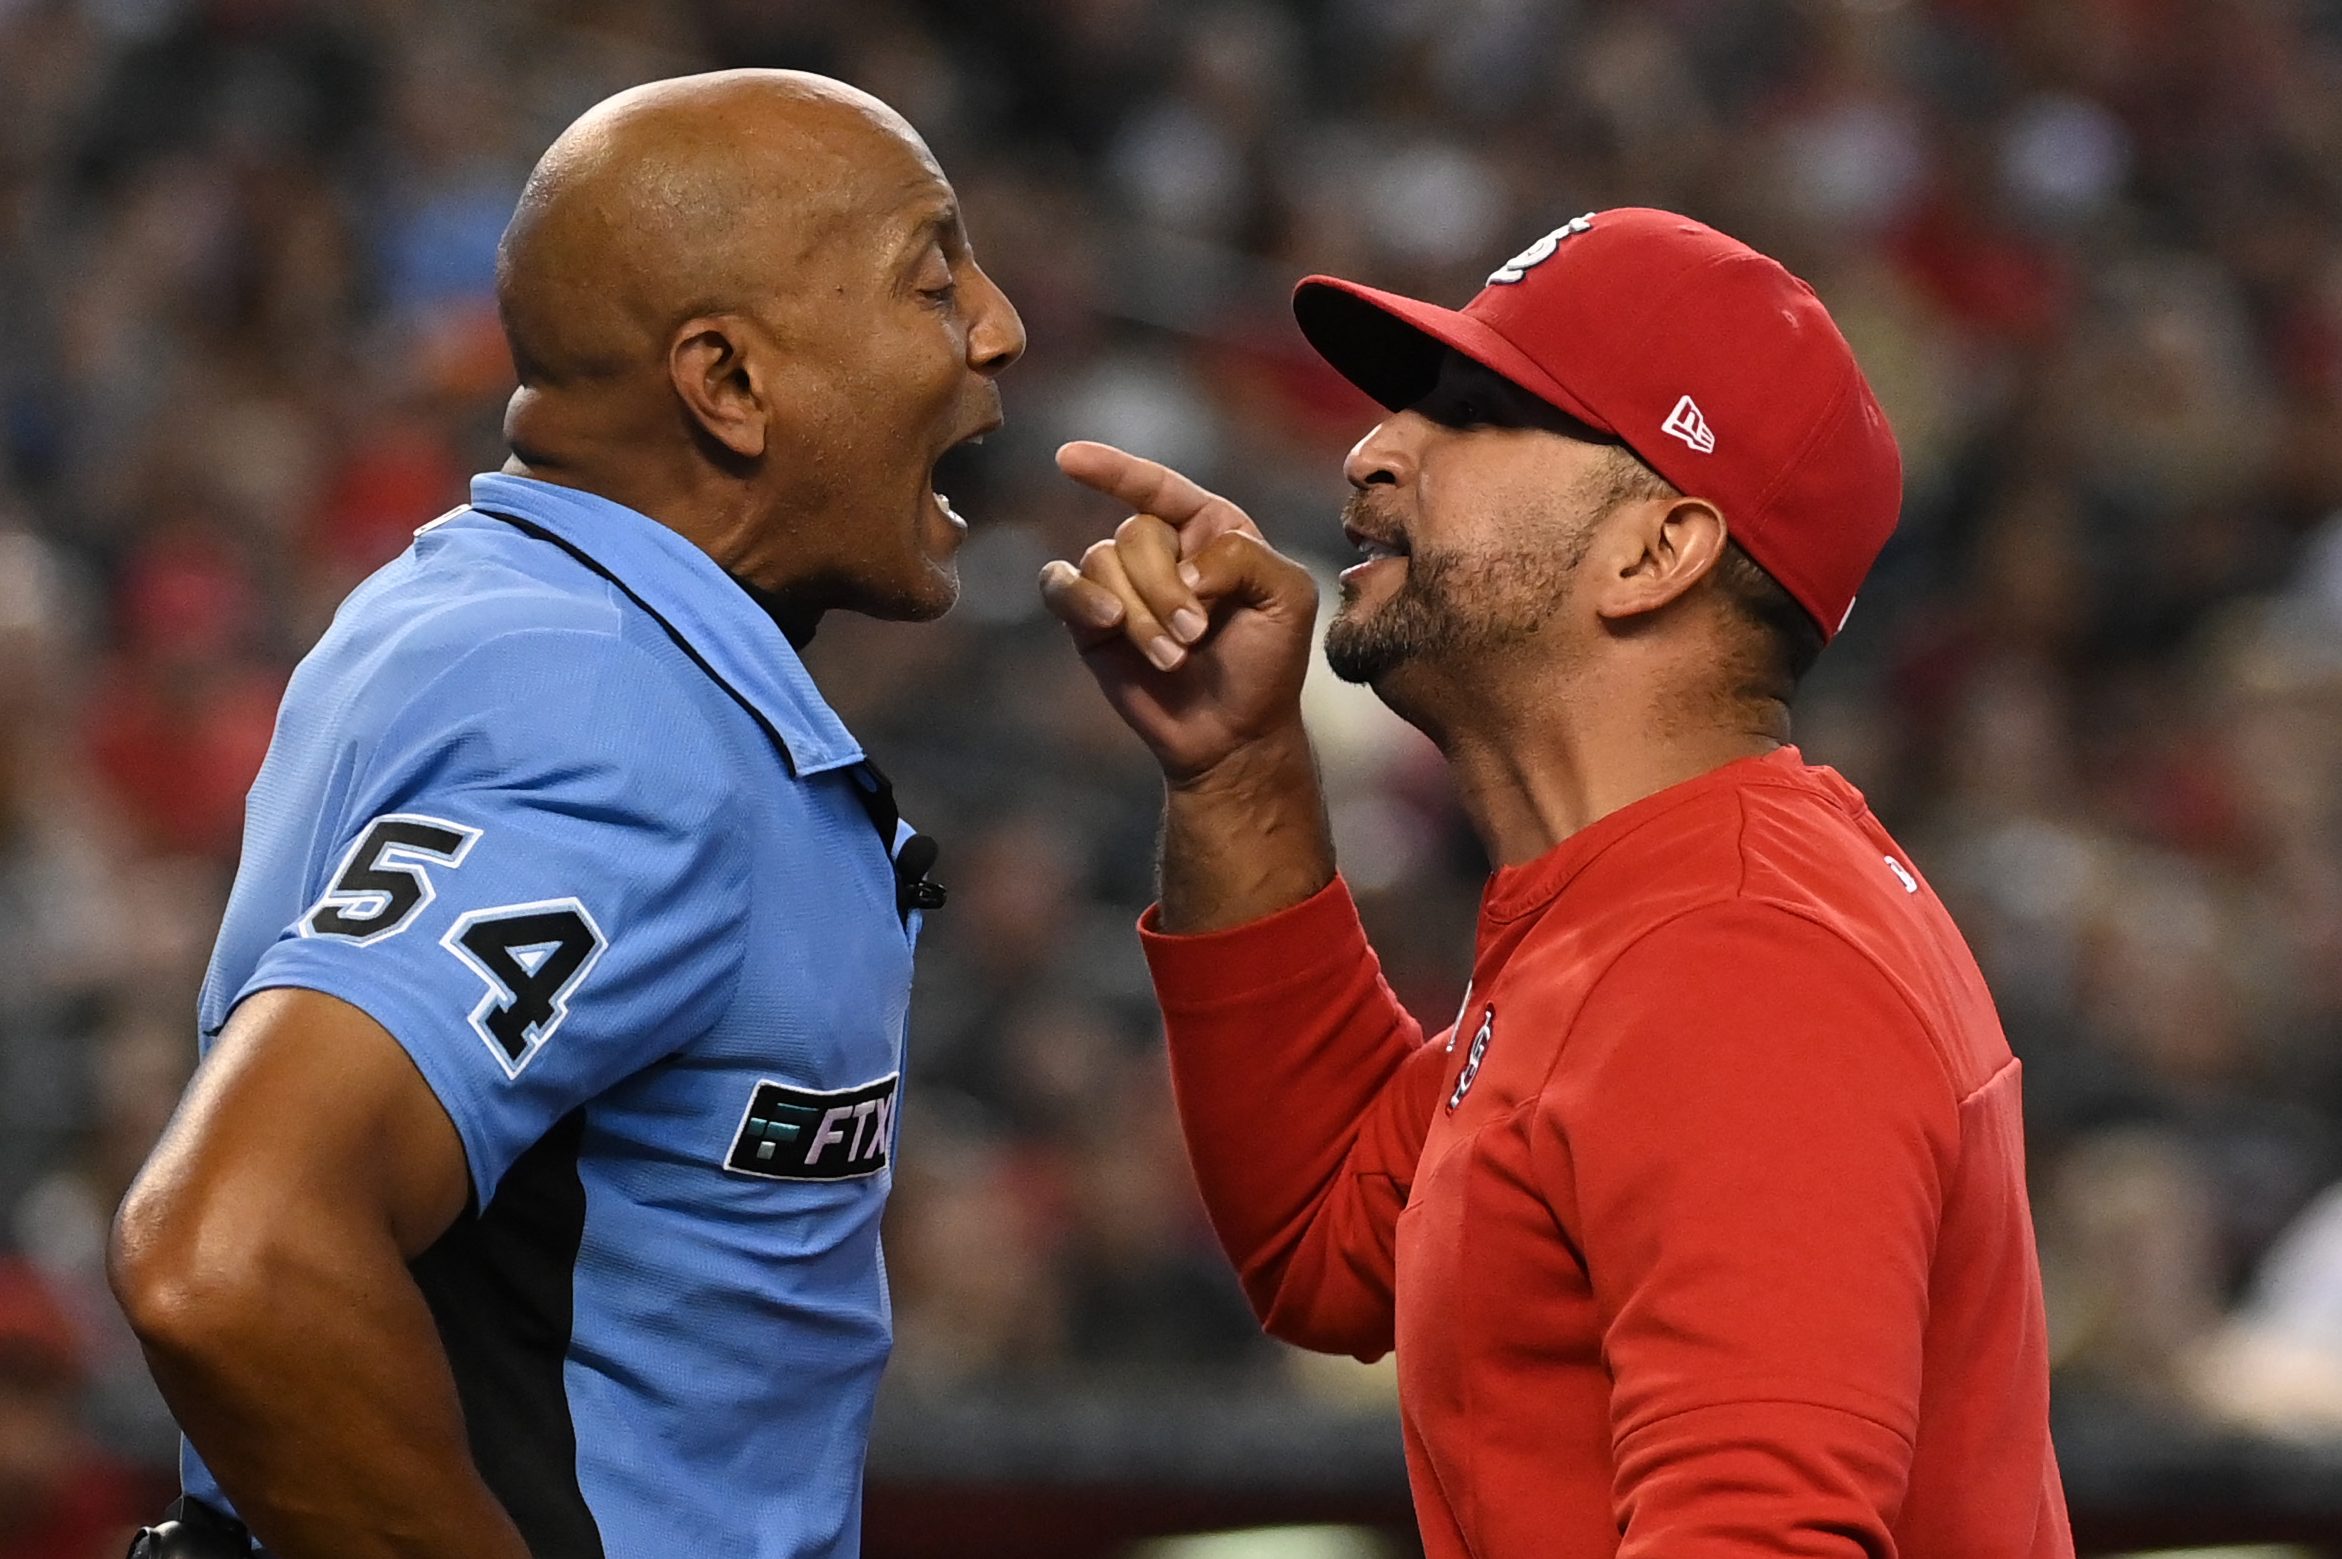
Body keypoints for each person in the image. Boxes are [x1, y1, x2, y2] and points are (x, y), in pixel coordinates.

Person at [1040, 208, 2070, 1556]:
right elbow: (1326, 1233)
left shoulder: (1739, 958)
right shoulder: (1641, 904)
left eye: (1472, 410)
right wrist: (1236, 769)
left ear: (1657, 549)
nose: (1368, 451)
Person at [107, 70, 1023, 1559]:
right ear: (727, 381)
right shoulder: (617, 724)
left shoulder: (480, 607)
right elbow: (232, 1255)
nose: (998, 324)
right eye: (932, 279)